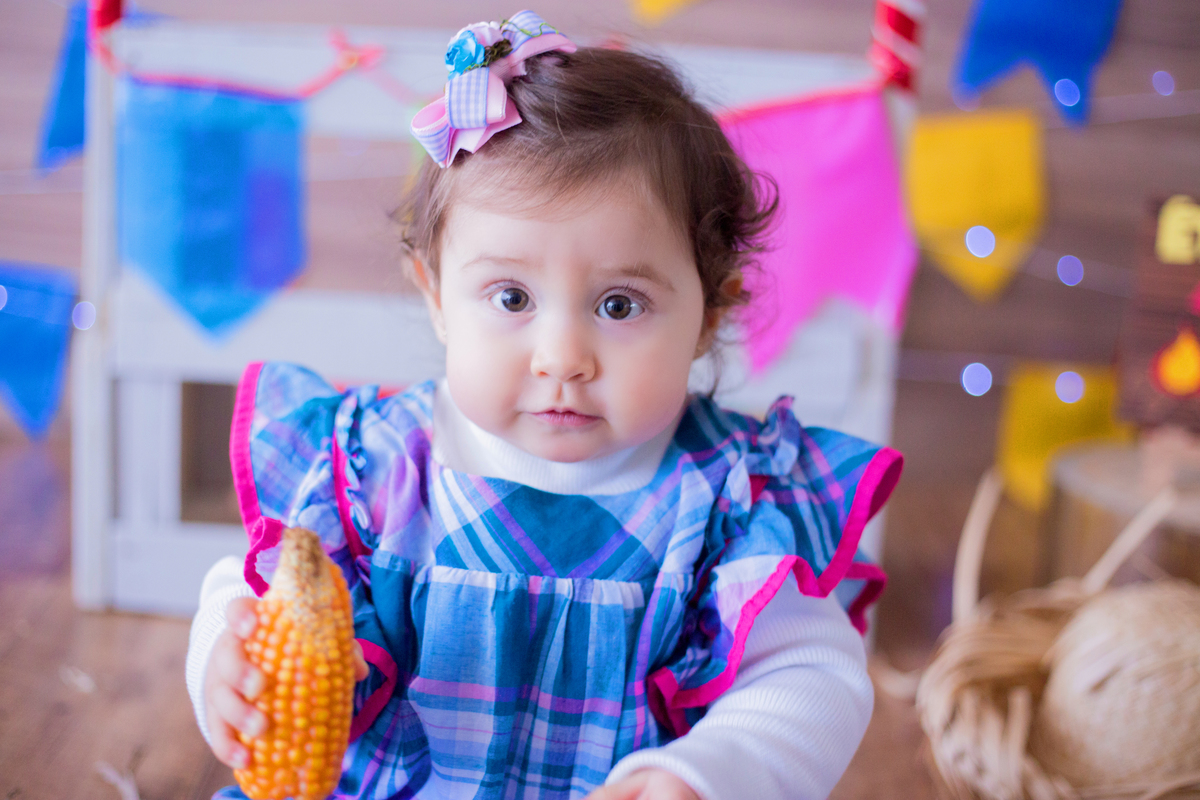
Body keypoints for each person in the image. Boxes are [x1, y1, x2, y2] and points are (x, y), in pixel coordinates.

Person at [186, 11, 903, 800]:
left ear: (711, 315)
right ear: (436, 298)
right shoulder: (373, 472)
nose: (561, 356)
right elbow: (255, 591)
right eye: (512, 296)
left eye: (621, 306)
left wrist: (697, 776)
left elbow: (813, 678)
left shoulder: (731, 507)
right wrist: (228, 658)